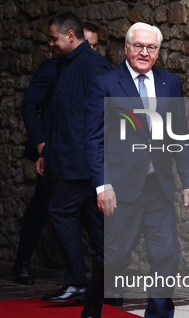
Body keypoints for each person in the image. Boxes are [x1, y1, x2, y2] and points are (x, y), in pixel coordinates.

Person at [82, 22, 189, 318]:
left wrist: (188, 181)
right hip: (121, 188)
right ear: (126, 47)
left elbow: (180, 136)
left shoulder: (169, 83)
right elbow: (93, 139)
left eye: (152, 47)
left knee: (167, 256)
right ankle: (94, 300)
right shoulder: (105, 83)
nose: (144, 53)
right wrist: (102, 185)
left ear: (158, 51)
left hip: (158, 187)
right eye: (139, 46)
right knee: (115, 258)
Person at [39, 12, 111, 302]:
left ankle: (78, 283)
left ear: (71, 36)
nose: (51, 44)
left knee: (58, 210)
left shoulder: (92, 65)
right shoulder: (69, 64)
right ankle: (109, 285)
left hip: (83, 163)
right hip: (73, 161)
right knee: (96, 223)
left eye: (54, 38)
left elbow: (108, 112)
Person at [13, 57, 59, 285]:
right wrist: (42, 145)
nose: (89, 50)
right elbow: (30, 106)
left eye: (94, 46)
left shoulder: (99, 68)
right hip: (54, 151)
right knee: (41, 205)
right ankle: (22, 261)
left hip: (87, 152)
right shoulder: (51, 68)